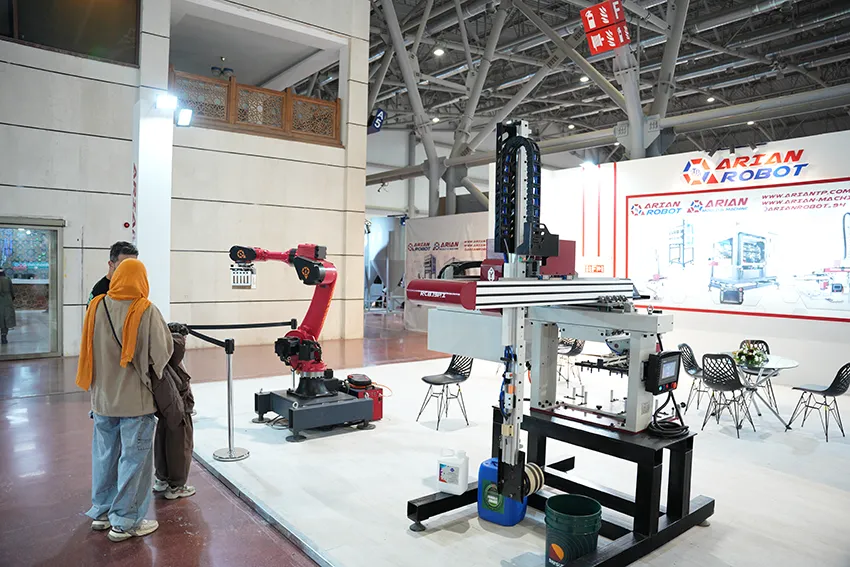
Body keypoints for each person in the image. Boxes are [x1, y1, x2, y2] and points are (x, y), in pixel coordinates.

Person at [76, 259, 172, 542]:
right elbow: (162, 354)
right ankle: (125, 522)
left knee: (104, 457)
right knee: (134, 462)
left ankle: (102, 512)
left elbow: (87, 346)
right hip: (135, 402)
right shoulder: (146, 310)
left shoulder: (97, 306)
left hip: (102, 400)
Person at [152, 323, 196, 500]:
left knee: (163, 441)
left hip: (165, 406)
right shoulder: (174, 350)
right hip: (178, 407)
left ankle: (162, 478)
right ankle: (176, 486)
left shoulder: (161, 354)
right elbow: (177, 345)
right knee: (180, 446)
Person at [0, 268, 15, 345]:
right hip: (7, 300)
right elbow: (12, 291)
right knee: (6, 319)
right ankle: (4, 336)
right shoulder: (8, 279)